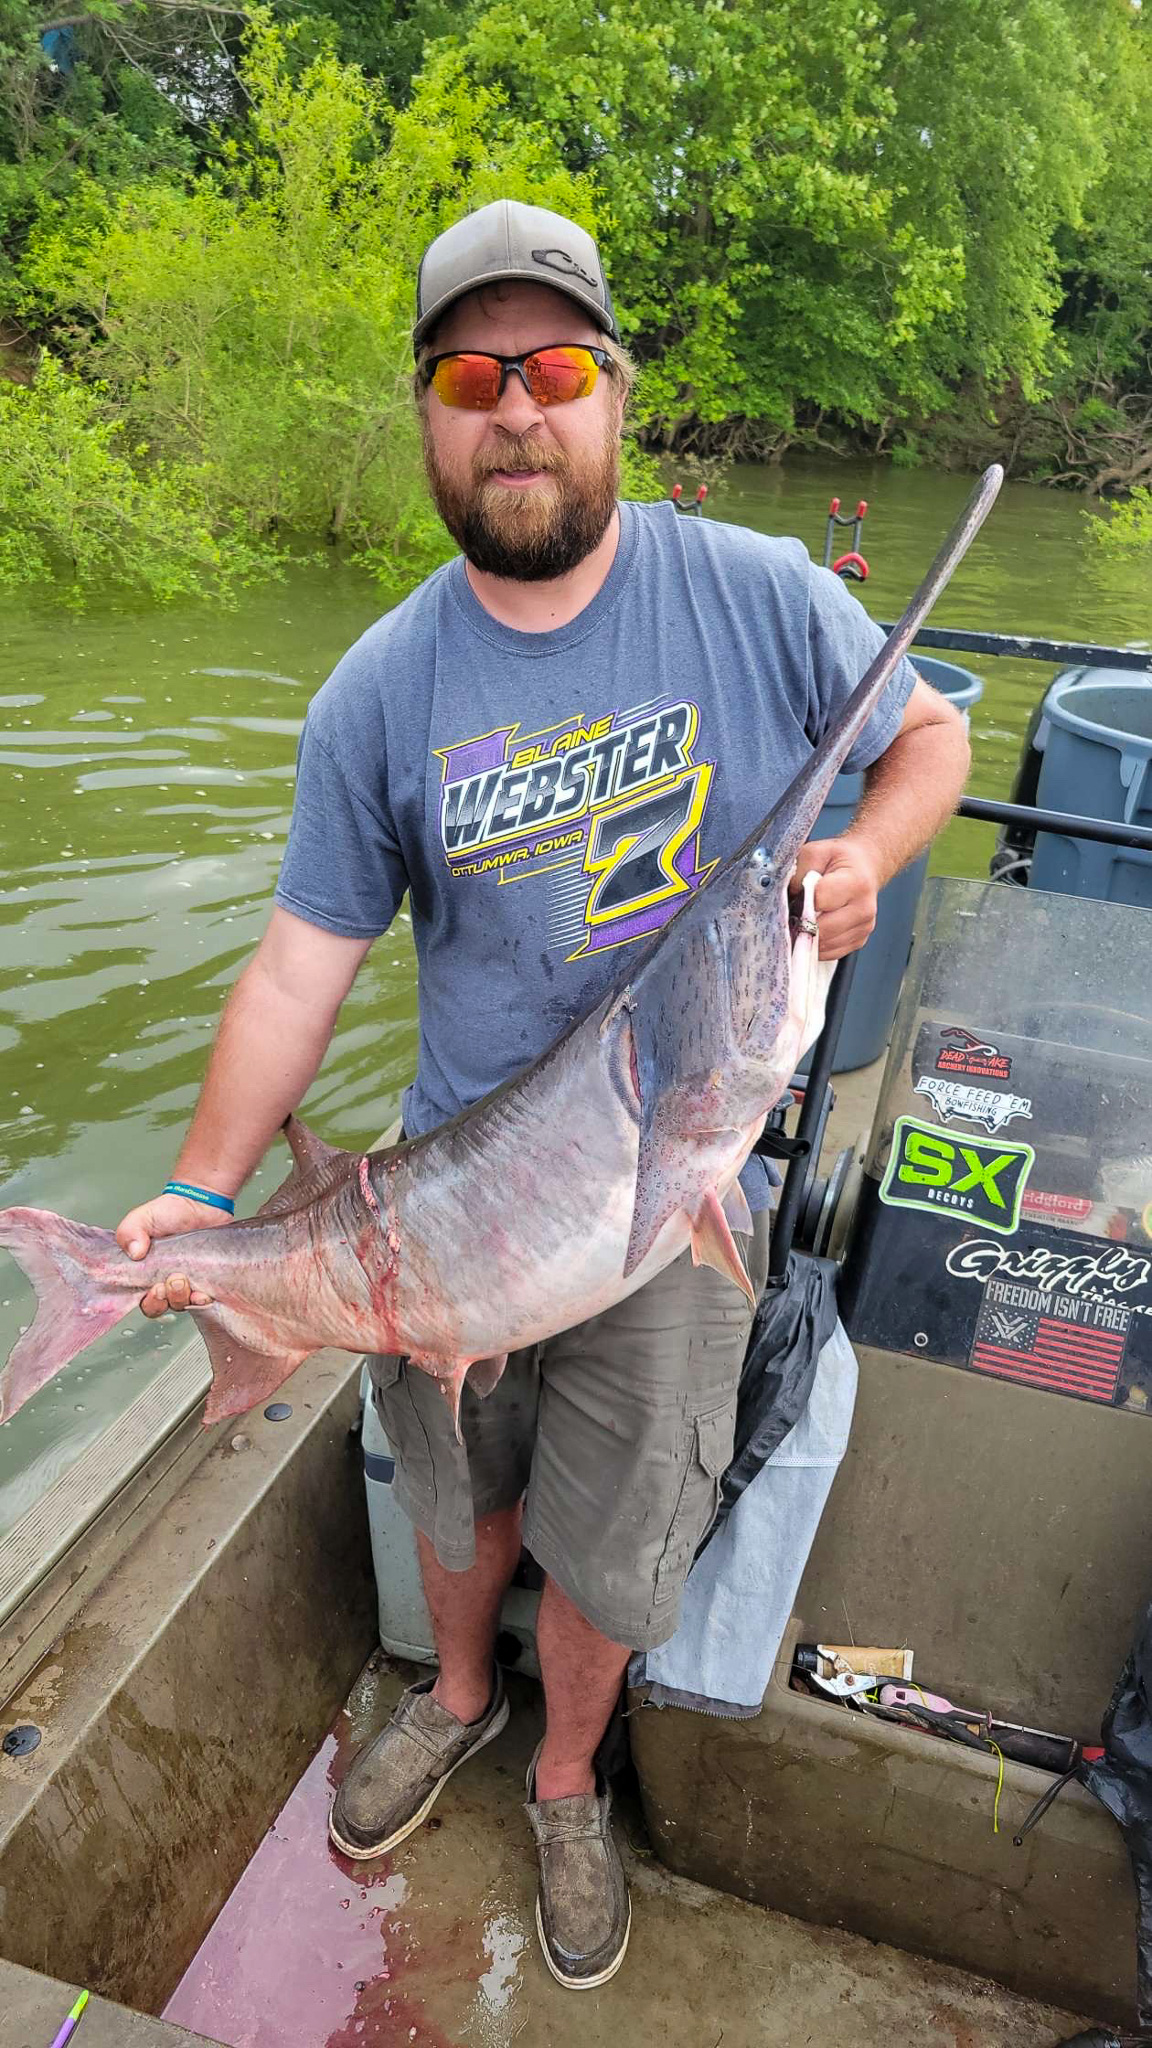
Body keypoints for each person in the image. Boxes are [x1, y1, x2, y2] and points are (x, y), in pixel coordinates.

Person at [115, 199, 970, 1990]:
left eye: (556, 368)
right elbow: (296, 966)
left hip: (671, 1191)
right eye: (472, 374)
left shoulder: (751, 591)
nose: (518, 408)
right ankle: (456, 1691)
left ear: (615, 397)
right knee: (455, 1508)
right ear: (428, 413)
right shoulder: (381, 690)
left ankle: (567, 1774)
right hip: (448, 1208)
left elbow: (927, 733)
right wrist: (200, 1204)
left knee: (605, 1540)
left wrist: (867, 856)